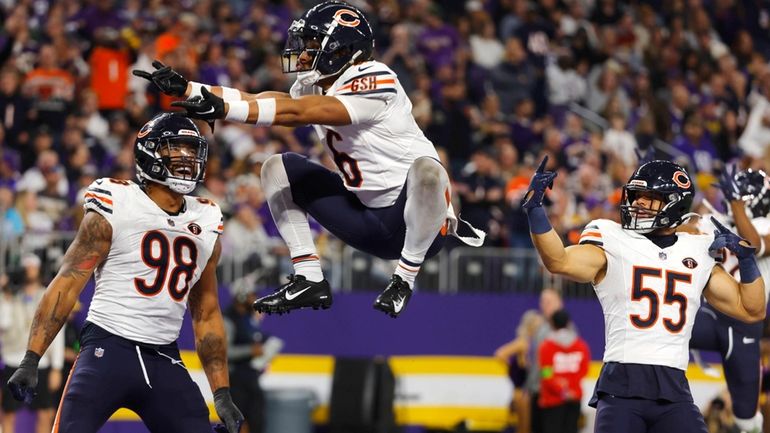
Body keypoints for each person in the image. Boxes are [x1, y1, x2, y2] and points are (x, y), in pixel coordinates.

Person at [134, 0, 485, 318]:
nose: (302, 55)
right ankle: (309, 278)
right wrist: (192, 89)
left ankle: (404, 280)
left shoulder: (378, 78)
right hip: (365, 216)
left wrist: (227, 109)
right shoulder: (312, 84)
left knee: (428, 170)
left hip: (418, 224)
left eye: (312, 46)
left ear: (340, 49)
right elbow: (266, 98)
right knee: (276, 168)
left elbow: (305, 112)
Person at [5, 113, 244, 433]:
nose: (187, 158)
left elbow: (207, 313)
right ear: (150, 152)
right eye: (177, 148)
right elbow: (69, 280)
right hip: (107, 348)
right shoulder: (117, 200)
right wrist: (32, 357)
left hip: (164, 357)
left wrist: (222, 392)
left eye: (192, 150)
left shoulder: (206, 217)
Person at [522, 156, 765, 433]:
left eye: (649, 198)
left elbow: (752, 309)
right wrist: (536, 211)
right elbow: (559, 261)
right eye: (636, 196)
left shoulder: (698, 250)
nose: (637, 203)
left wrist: (746, 262)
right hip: (621, 388)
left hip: (674, 390)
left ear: (674, 203)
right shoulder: (612, 238)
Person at [687, 165, 770, 433]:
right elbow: (677, 230)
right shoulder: (716, 217)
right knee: (663, 330)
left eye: (737, 194)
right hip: (712, 312)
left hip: (746, 322)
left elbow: (752, 245)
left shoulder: (763, 224)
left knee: (747, 421)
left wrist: (735, 207)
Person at [0, 253, 64, 433]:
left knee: (45, 413)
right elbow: (3, 324)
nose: (29, 271)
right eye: (26, 267)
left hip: (40, 362)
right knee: (8, 413)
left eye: (33, 267)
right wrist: (5, 294)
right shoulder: (11, 297)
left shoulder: (48, 296)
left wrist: (57, 367)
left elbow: (56, 332)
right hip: (13, 360)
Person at [223, 289, 284, 433]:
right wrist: (251, 351)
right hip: (235, 380)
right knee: (237, 424)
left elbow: (258, 338)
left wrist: (267, 348)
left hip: (251, 378)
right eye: (251, 296)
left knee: (258, 422)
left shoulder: (249, 318)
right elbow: (225, 352)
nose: (255, 300)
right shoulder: (228, 320)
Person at [537, 308, 590, 433]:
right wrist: (570, 391)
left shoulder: (546, 347)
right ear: (568, 323)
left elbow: (546, 374)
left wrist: (562, 392)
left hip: (552, 400)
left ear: (552, 324)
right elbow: (584, 370)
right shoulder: (581, 346)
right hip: (574, 397)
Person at [493, 309, 543, 433]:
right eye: (538, 325)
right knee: (524, 428)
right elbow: (500, 354)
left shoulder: (534, 343)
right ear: (531, 326)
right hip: (522, 393)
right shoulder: (523, 342)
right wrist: (514, 369)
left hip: (527, 392)